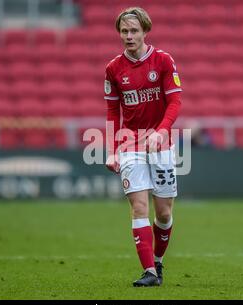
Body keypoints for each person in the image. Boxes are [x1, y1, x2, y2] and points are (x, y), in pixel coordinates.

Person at [104, 7, 182, 287]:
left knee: (163, 212)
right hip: (129, 144)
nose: (128, 36)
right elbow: (113, 112)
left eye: (134, 30)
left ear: (145, 31)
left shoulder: (163, 61)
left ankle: (158, 262)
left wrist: (162, 131)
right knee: (139, 206)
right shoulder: (113, 69)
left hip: (161, 144)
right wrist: (113, 149)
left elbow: (175, 102)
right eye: (124, 31)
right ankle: (149, 271)